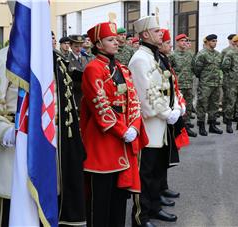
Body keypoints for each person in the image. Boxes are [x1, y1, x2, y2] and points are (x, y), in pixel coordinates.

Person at [0, 30, 86, 227]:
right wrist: (8, 133)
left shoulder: (54, 60)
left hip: (52, 158)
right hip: (16, 159)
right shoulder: (2, 59)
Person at [80, 21, 149, 227]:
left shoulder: (122, 68)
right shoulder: (92, 69)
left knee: (119, 200)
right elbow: (100, 106)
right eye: (110, 40)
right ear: (98, 44)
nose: (116, 42)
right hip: (102, 145)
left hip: (124, 142)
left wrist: (135, 127)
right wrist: (122, 130)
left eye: (116, 39)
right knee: (99, 204)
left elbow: (134, 100)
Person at [129, 16, 180, 227]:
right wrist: (167, 113)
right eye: (157, 30)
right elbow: (147, 94)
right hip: (151, 123)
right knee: (146, 173)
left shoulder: (155, 56)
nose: (162, 33)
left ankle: (155, 208)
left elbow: (169, 85)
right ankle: (141, 217)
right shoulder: (140, 59)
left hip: (162, 122)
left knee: (158, 169)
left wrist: (176, 106)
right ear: (145, 34)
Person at [158, 28, 190, 208]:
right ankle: (158, 190)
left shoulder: (165, 59)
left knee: (167, 155)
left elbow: (173, 83)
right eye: (168, 43)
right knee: (159, 158)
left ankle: (163, 186)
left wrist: (179, 103)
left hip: (171, 110)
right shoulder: (157, 60)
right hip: (163, 114)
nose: (170, 46)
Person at [194, 34, 224, 136]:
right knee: (202, 104)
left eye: (216, 41)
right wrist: (204, 78)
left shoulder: (218, 54)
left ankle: (212, 126)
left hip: (216, 84)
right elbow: (197, 70)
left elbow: (219, 68)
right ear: (207, 42)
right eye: (212, 41)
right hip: (205, 84)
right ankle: (201, 126)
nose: (215, 43)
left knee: (214, 105)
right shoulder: (202, 54)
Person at [169, 33, 197, 137]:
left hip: (189, 84)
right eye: (182, 41)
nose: (184, 43)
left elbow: (194, 67)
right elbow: (169, 70)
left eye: (186, 41)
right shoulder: (172, 55)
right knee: (178, 107)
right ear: (177, 42)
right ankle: (178, 128)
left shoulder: (190, 54)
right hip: (178, 86)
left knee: (188, 106)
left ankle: (187, 126)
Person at [67, 34, 88, 110]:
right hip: (75, 94)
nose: (79, 49)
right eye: (76, 46)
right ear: (70, 46)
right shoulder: (67, 60)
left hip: (85, 93)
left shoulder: (85, 58)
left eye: (80, 46)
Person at [221, 33, 236, 123]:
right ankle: (225, 116)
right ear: (230, 40)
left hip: (236, 79)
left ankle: (232, 115)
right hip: (227, 79)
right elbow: (222, 65)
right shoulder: (225, 51)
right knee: (227, 98)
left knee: (234, 98)